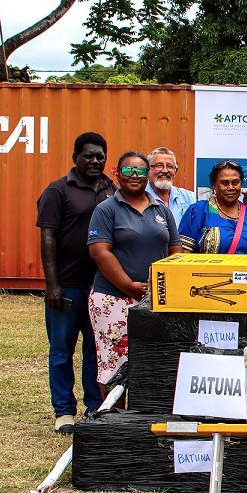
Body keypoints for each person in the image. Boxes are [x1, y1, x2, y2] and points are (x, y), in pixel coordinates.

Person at [36, 132, 116, 435]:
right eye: (89, 155)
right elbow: (48, 238)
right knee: (61, 349)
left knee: (96, 351)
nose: (95, 161)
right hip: (67, 285)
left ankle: (94, 406)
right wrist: (52, 284)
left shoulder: (113, 190)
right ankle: (64, 412)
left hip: (102, 286)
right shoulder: (58, 190)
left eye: (100, 156)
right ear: (75, 158)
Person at [87, 152, 182, 392]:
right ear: (117, 174)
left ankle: (141, 419)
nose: (135, 176)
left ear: (148, 174)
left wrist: (160, 286)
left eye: (141, 170)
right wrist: (129, 286)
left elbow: (176, 251)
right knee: (114, 363)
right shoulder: (106, 210)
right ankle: (113, 420)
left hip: (155, 300)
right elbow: (100, 252)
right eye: (129, 170)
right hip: (113, 298)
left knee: (152, 361)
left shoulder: (161, 210)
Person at [178, 160, 247, 255]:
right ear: (214, 185)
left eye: (235, 182)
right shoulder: (199, 211)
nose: (230, 188)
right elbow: (184, 254)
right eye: (225, 183)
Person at [146, 147, 195, 227]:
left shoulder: (190, 198)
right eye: (159, 166)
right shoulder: (140, 198)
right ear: (148, 170)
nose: (165, 171)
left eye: (170, 166)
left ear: (175, 170)